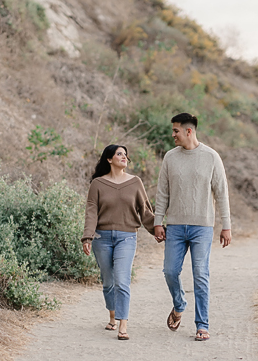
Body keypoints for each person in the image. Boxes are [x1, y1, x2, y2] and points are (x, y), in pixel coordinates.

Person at [154, 112, 232, 341]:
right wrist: (158, 221)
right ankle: (179, 304)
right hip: (175, 226)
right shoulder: (170, 157)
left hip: (202, 226)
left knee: (200, 274)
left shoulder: (211, 157)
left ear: (189, 131)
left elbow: (221, 193)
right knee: (170, 271)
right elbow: (162, 193)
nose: (173, 135)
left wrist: (226, 225)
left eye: (176, 130)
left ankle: (202, 325)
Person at [82, 144, 156, 340]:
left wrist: (157, 229)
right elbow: (91, 212)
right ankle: (112, 316)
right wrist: (87, 236)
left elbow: (145, 210)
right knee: (108, 283)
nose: (124, 157)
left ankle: (123, 324)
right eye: (119, 154)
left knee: (122, 281)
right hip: (101, 238)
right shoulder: (97, 184)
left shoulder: (135, 182)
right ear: (109, 159)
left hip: (127, 237)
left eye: (125, 155)